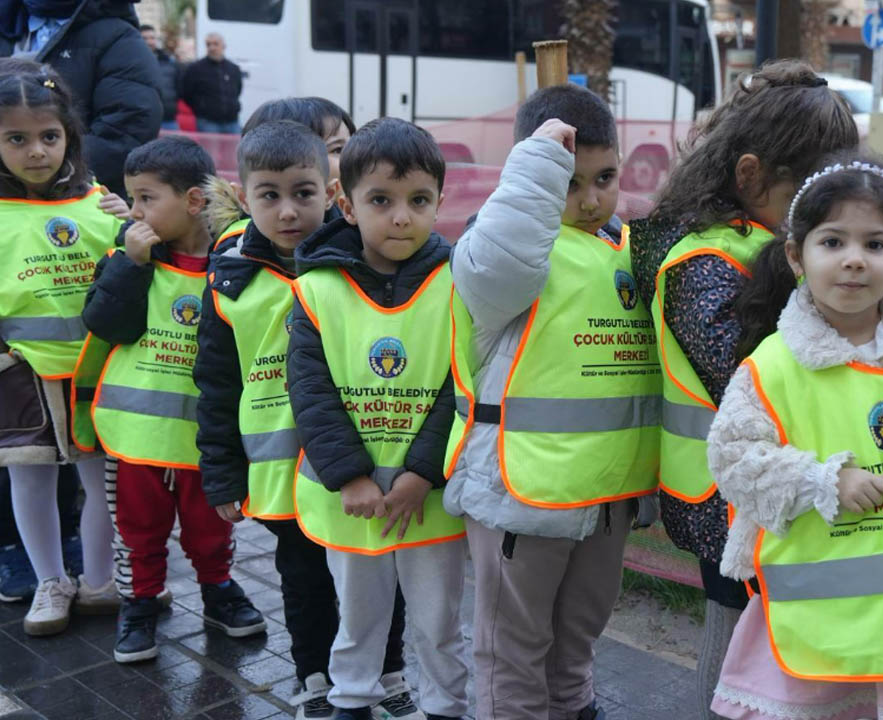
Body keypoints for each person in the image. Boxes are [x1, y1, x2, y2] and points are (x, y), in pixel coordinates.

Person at [705, 153, 883, 720]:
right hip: (811, 612)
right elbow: (732, 456)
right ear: (797, 256)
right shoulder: (774, 365)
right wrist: (821, 481)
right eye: (833, 242)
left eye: (875, 244)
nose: (854, 261)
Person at [628, 59, 860, 718]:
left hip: (786, 496)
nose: (825, 213)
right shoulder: (706, 261)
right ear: (751, 175)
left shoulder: (787, 245)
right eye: (807, 194)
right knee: (736, 667)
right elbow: (751, 381)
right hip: (726, 511)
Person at [445, 84, 661, 720]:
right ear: (530, 173)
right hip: (520, 497)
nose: (591, 200)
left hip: (605, 497)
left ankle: (574, 708)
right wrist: (539, 167)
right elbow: (498, 265)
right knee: (512, 650)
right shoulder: (503, 246)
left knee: (577, 637)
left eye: (606, 178)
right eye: (570, 183)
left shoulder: (622, 246)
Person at [197, 119, 418, 720]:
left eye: (304, 192)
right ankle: (314, 676)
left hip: (361, 466)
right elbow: (216, 386)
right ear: (244, 198)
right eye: (270, 195)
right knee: (304, 580)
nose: (289, 210)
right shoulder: (229, 281)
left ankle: (389, 669)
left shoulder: (365, 265)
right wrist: (221, 473)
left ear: (332, 192)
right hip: (280, 473)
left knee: (378, 572)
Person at [288, 117, 467, 720]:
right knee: (358, 612)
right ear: (346, 202)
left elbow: (458, 388)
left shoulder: (456, 282)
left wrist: (422, 471)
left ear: (441, 201)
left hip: (430, 493)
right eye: (381, 200)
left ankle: (445, 704)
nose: (402, 217)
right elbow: (310, 391)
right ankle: (353, 700)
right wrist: (351, 476)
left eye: (419, 201)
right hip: (355, 495)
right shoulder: (316, 287)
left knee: (440, 619)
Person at [76, 135, 267, 663]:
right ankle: (138, 605)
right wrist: (131, 266)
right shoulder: (129, 255)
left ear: (195, 202)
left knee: (212, 528)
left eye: (145, 198)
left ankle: (218, 590)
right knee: (138, 532)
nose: (133, 211)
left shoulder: (235, 260)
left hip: (206, 440)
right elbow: (106, 323)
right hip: (136, 436)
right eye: (131, 198)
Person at [0, 59, 119, 637]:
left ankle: (99, 580)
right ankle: (51, 580)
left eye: (49, 136)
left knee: (101, 479)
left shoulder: (100, 200)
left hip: (98, 370)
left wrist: (133, 220)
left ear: (69, 135)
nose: (37, 151)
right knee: (31, 478)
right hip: (22, 375)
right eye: (16, 139)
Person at [0, 0, 162, 196]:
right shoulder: (8, 24)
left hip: (73, 200)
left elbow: (126, 130)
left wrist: (54, 177)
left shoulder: (118, 38)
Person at [204, 96, 356, 250]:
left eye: (352, 148)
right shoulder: (237, 250)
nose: (355, 160)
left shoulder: (363, 232)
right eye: (338, 150)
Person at [182, 33, 242, 134]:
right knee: (209, 150)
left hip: (232, 123)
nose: (211, 47)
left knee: (234, 150)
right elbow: (186, 93)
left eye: (215, 44)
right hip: (207, 123)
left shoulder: (233, 69)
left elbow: (238, 90)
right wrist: (201, 108)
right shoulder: (195, 68)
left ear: (223, 46)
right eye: (208, 44)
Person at [139, 24, 180, 131]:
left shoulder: (169, 62)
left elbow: (179, 87)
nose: (149, 42)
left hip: (168, 120)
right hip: (143, 119)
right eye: (145, 38)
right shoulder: (131, 62)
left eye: (152, 38)